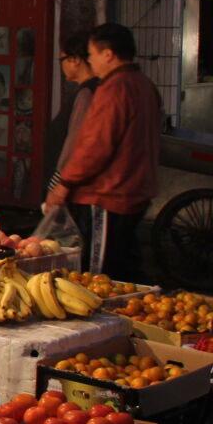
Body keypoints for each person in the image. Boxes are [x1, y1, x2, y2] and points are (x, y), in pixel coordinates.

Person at [45, 23, 161, 278]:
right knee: (124, 262)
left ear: (108, 54)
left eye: (92, 54)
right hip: (135, 191)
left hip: (108, 194)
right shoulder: (143, 84)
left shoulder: (114, 88)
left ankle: (107, 314)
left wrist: (64, 184)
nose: (91, 61)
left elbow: (95, 146)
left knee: (100, 270)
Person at [41, 32, 100, 242]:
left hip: (76, 191)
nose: (62, 65)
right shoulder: (88, 91)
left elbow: (76, 143)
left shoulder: (87, 93)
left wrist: (58, 185)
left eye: (62, 59)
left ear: (75, 60)